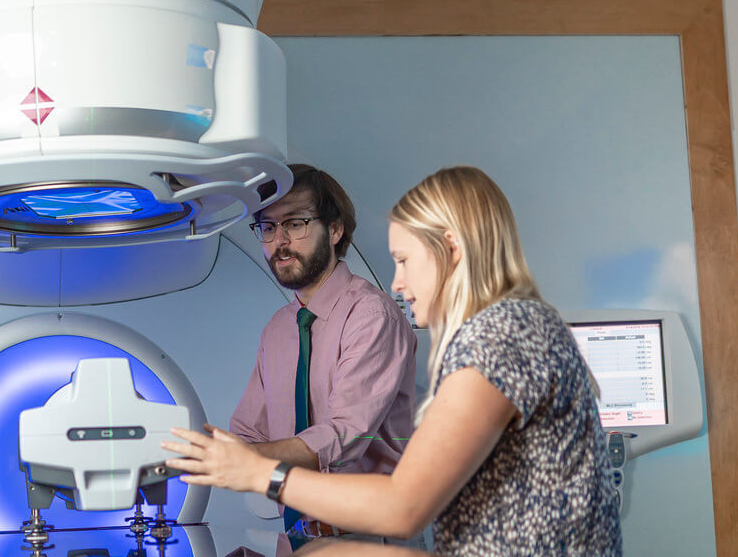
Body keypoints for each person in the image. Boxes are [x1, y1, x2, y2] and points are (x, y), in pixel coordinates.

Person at [165, 166, 622, 556]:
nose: (398, 284)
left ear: (451, 248)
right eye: (268, 227)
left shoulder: (502, 337)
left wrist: (260, 471)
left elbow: (402, 508)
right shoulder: (516, 326)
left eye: (404, 260)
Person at [228, 164, 418, 543]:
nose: (279, 241)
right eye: (267, 227)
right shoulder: (280, 328)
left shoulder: (371, 315)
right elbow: (248, 431)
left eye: (295, 223)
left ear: (334, 229)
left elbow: (343, 436)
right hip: (295, 538)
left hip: (361, 539)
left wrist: (245, 462)